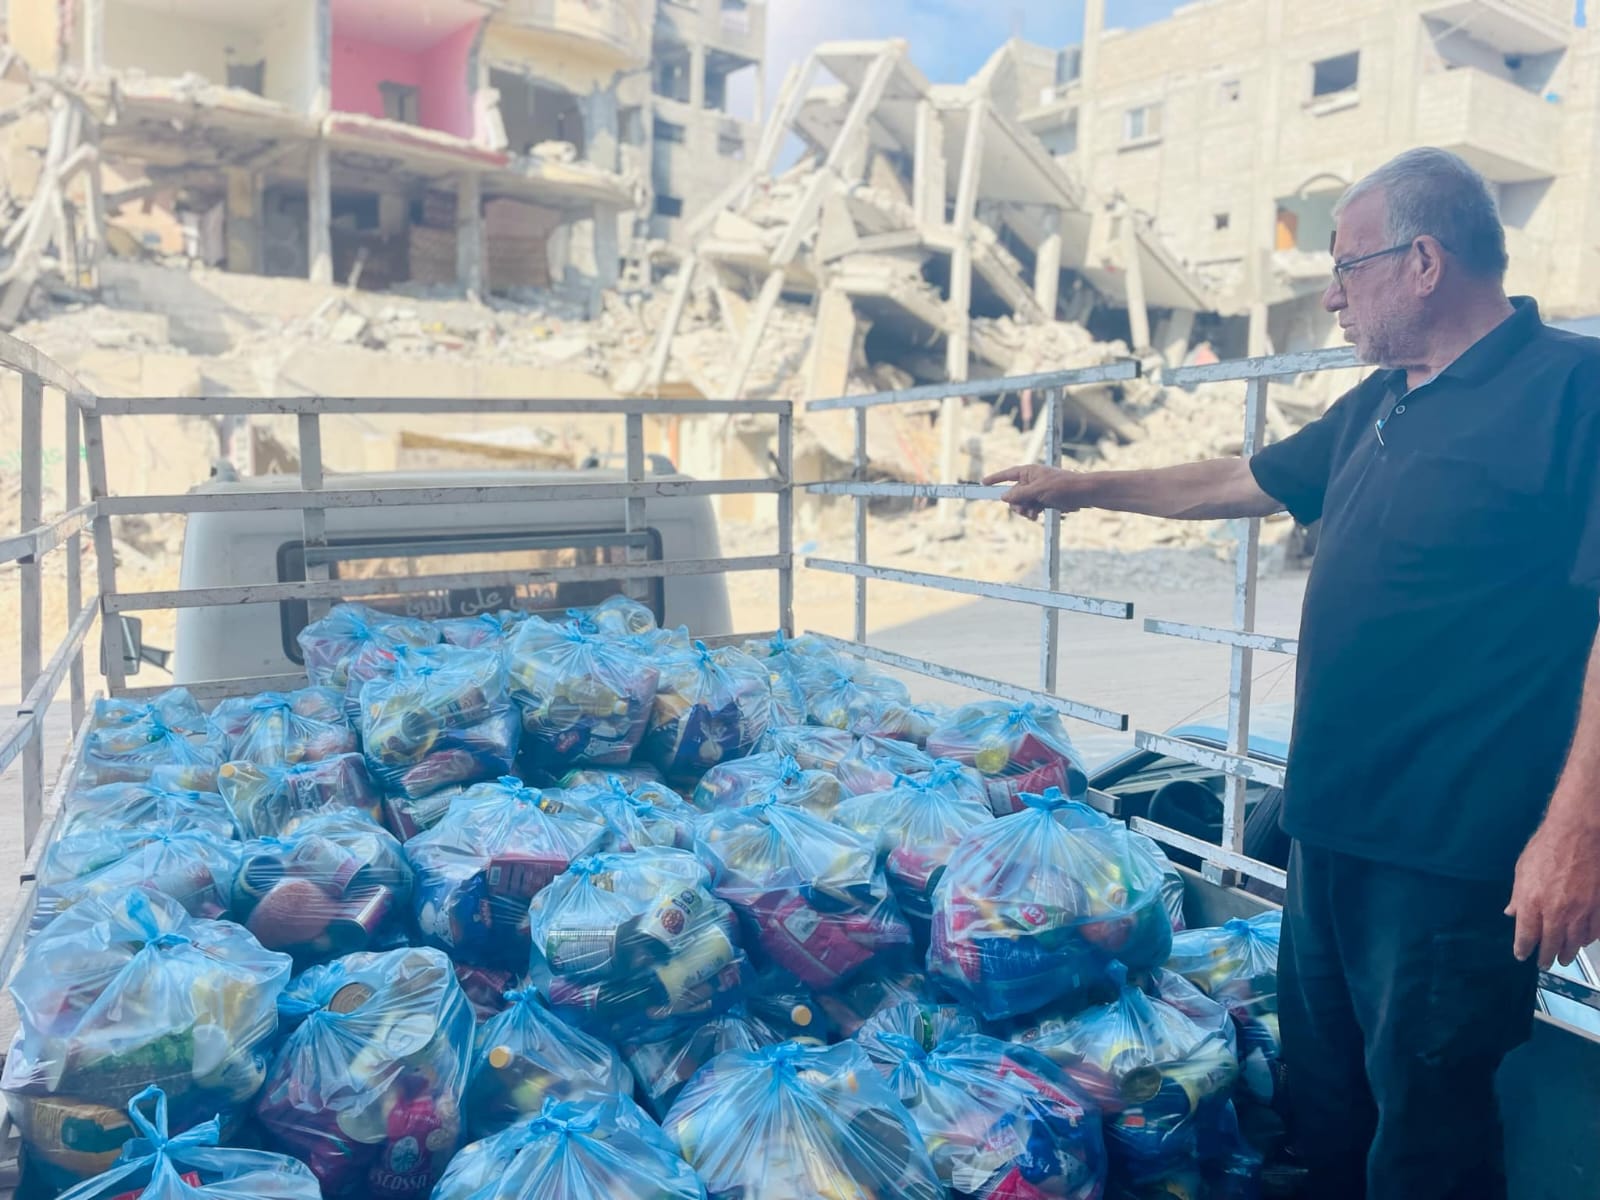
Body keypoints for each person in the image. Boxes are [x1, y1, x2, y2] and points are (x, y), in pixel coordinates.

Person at [985, 147, 1600, 1200]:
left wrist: (1576, 833)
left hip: (1453, 858)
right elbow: (1236, 479)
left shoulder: (1572, 391)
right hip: (1328, 832)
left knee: (1428, 1131)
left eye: (1344, 265)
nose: (1330, 294)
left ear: (1421, 261)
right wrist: (1083, 483)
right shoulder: (1378, 404)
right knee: (1325, 1106)